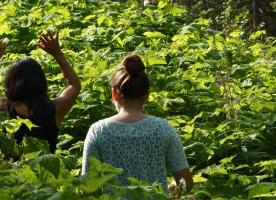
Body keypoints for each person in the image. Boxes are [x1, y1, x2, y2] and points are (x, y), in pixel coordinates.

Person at [82, 54, 193, 194]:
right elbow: (186, 183)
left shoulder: (98, 131)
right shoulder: (163, 129)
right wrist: (170, 190)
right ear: (147, 94)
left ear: (114, 94)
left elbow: (87, 187)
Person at [0, 30, 81, 154]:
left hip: (10, 173)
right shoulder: (56, 109)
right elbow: (74, 85)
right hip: (44, 172)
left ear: (10, 84)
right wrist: (57, 53)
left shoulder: (5, 107)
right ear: (42, 82)